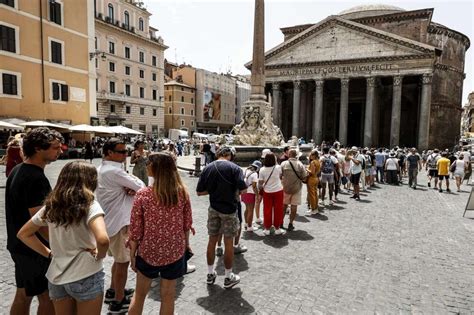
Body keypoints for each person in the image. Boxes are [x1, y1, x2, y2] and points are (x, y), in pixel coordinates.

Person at [17, 161, 109, 315]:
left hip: (57, 276)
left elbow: (23, 234)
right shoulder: (91, 205)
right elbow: (103, 240)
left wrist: (49, 253)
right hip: (85, 274)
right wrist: (100, 255)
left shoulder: (51, 206)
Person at [5, 127, 63, 315]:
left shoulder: (17, 170)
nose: (61, 150)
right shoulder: (35, 178)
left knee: (23, 294)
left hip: (18, 246)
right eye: (55, 148)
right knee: (47, 296)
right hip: (35, 249)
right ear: (38, 148)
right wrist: (55, 248)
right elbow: (40, 222)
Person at [128, 152, 193, 315]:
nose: (146, 165)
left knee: (140, 295)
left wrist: (132, 254)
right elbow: (186, 225)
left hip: (149, 250)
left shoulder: (143, 194)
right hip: (174, 251)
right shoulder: (182, 192)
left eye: (149, 163)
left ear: (156, 168)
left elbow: (136, 229)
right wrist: (186, 246)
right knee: (168, 296)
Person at [96, 138, 146, 313]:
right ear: (109, 153)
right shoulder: (115, 172)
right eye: (122, 152)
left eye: (126, 151)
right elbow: (142, 185)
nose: (126, 154)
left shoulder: (102, 169)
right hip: (120, 222)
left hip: (109, 220)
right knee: (123, 262)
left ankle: (113, 290)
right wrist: (133, 187)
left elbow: (136, 188)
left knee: (118, 260)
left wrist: (131, 188)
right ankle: (118, 300)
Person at [196, 146, 247, 289]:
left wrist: (214, 191)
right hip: (230, 210)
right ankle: (228, 276)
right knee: (228, 243)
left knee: (212, 240)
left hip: (214, 208)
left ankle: (210, 274)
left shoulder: (207, 168)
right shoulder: (235, 168)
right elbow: (243, 189)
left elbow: (199, 192)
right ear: (228, 154)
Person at [258, 152, 285, 235]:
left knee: (267, 210)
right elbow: (281, 177)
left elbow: (260, 183)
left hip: (267, 191)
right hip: (278, 190)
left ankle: (267, 228)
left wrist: (260, 189)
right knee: (278, 209)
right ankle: (277, 228)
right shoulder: (278, 167)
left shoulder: (262, 169)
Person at [281, 149, 308, 231]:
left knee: (284, 206)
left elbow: (280, 175)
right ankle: (291, 223)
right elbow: (304, 177)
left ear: (289, 155)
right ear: (296, 155)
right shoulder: (300, 164)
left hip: (285, 188)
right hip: (296, 188)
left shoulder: (283, 164)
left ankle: (281, 222)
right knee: (294, 206)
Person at [242, 161, 261, 232]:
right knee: (251, 210)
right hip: (250, 193)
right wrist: (257, 195)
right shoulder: (255, 174)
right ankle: (250, 227)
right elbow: (254, 186)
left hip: (244, 192)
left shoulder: (246, 170)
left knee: (247, 209)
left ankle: (246, 223)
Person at [306, 149, 321, 215]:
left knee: (312, 195)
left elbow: (312, 172)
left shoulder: (313, 162)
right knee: (315, 194)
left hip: (311, 179)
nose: (310, 156)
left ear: (315, 155)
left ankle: (313, 209)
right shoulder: (318, 161)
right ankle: (316, 208)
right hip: (316, 178)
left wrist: (306, 169)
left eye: (312, 154)